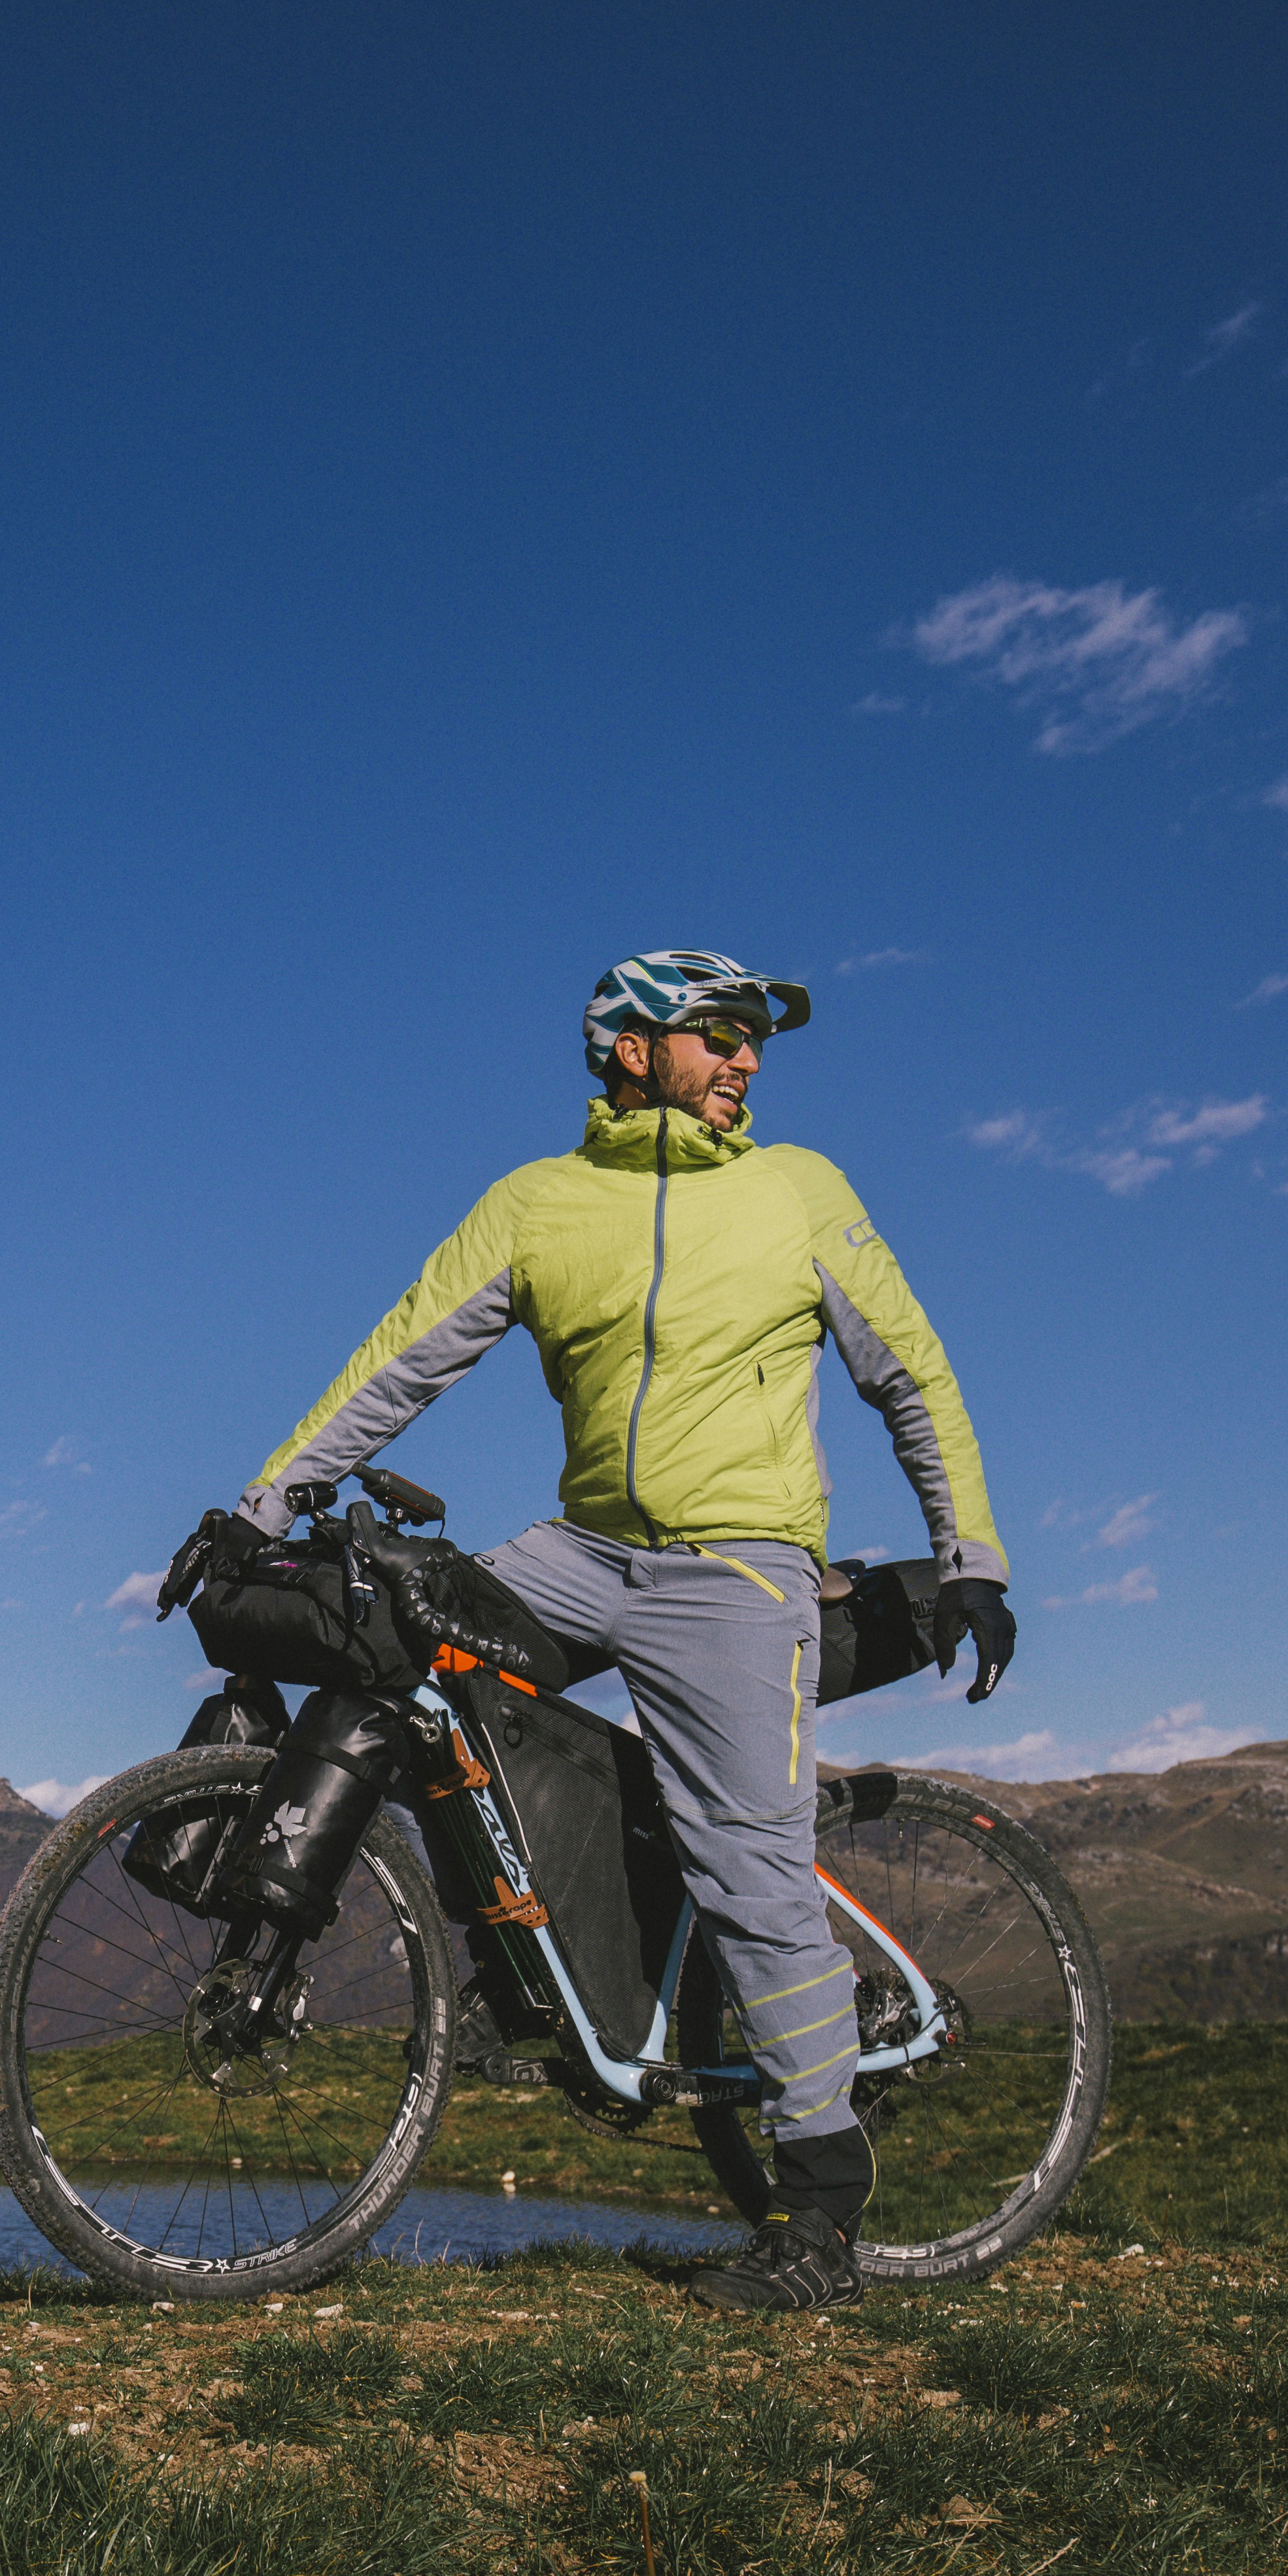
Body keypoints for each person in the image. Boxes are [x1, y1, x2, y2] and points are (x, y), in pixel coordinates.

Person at [236, 948, 1014, 2313]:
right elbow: (404, 1350)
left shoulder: (800, 1189)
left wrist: (973, 1554)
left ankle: (819, 2209)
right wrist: (270, 1499)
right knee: (397, 1647)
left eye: (757, 1037)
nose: (750, 1058)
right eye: (722, 1032)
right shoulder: (539, 1204)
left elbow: (914, 1369)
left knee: (749, 1863)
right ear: (629, 1045)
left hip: (739, 1570)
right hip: (589, 1550)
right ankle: (522, 1971)